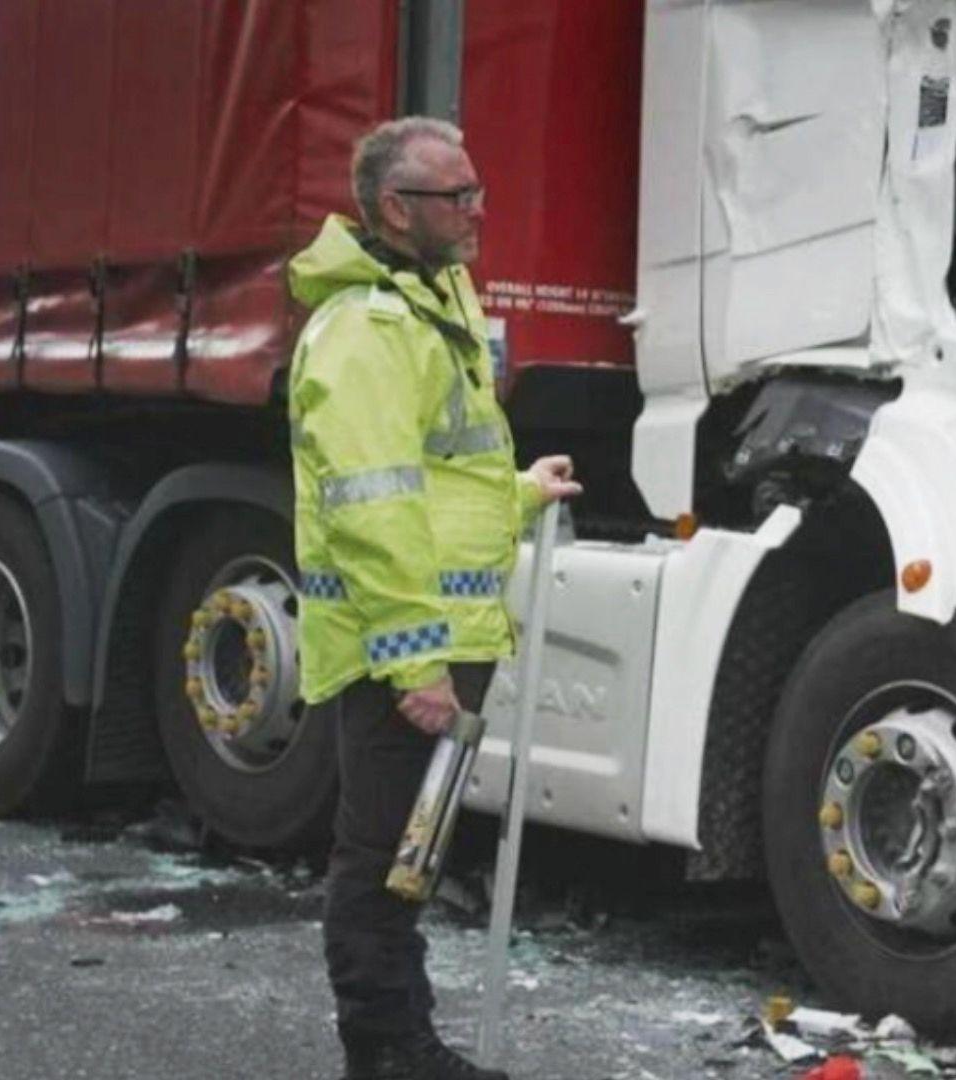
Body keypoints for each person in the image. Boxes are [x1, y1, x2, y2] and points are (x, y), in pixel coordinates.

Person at [286, 116, 581, 1080]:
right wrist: (415, 669)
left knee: (412, 859)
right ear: (393, 209)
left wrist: (522, 490)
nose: (478, 210)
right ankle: (387, 1057)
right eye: (457, 196)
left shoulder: (425, 302)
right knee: (380, 865)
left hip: (445, 642)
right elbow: (373, 507)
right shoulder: (367, 329)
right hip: (404, 656)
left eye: (476, 189)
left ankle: (404, 1049)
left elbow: (438, 479)